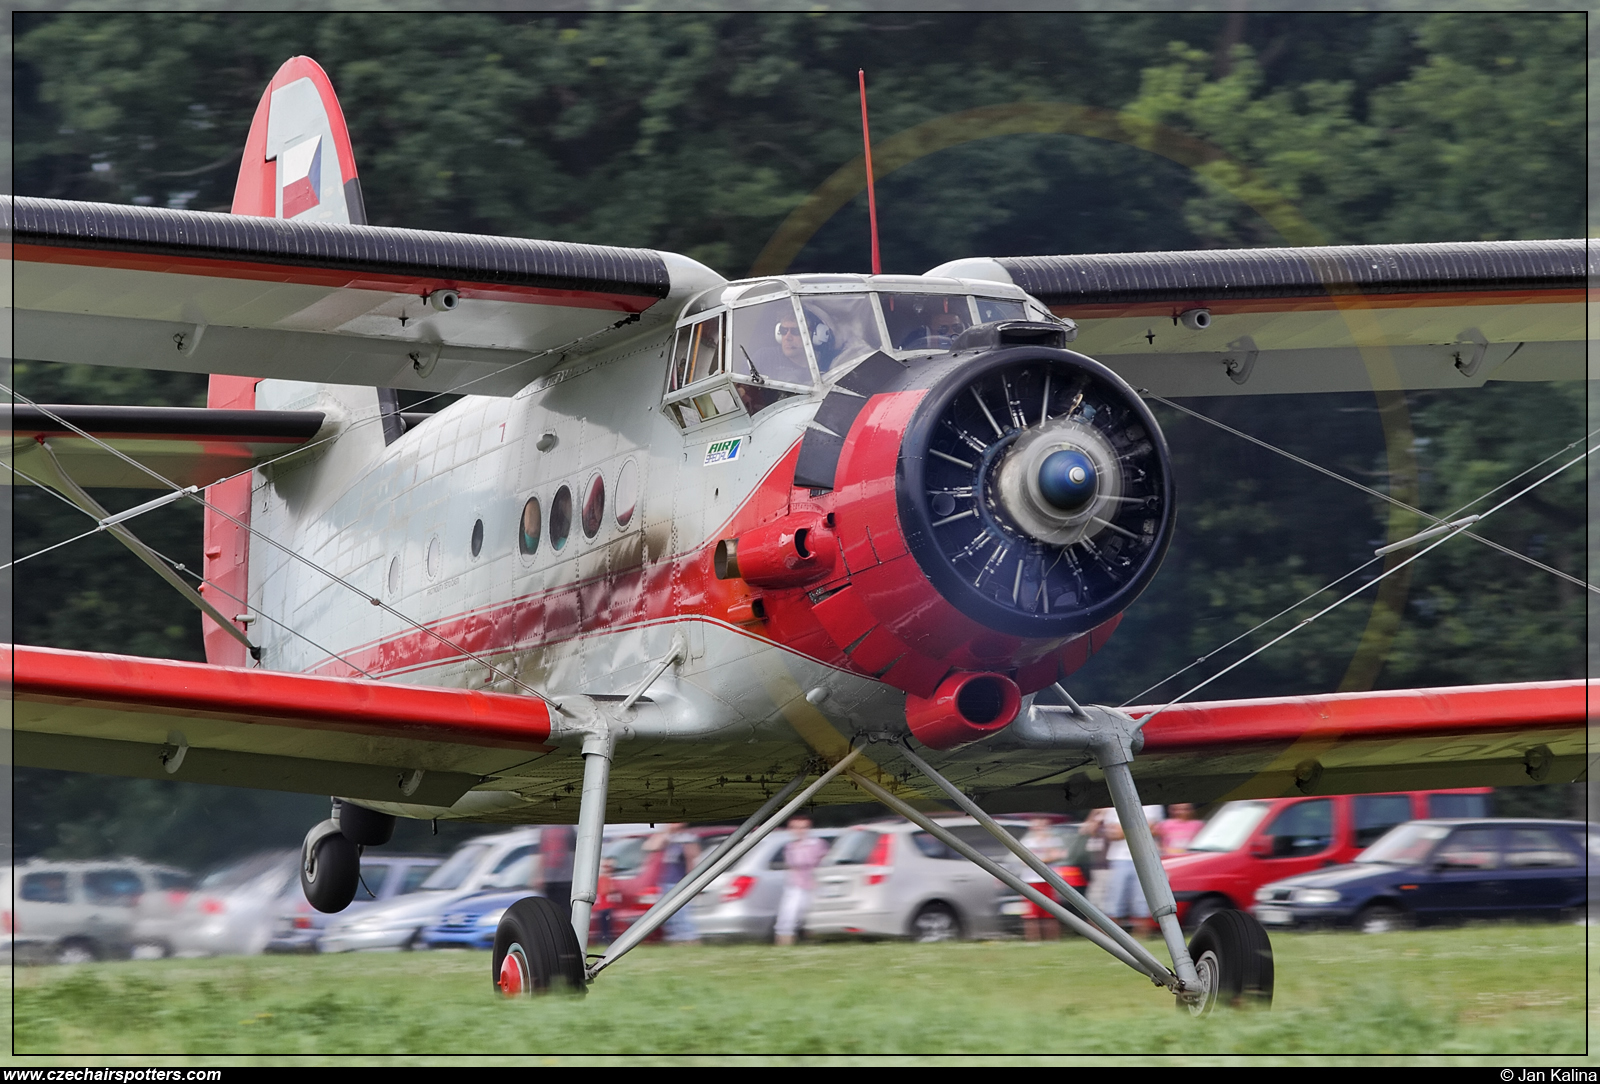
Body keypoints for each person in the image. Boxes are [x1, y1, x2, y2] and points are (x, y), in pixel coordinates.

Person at [773, 816, 830, 946]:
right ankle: (784, 944)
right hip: (795, 885)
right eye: (795, 828)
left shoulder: (816, 844)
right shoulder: (790, 846)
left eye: (803, 827)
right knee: (787, 916)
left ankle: (813, 941)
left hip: (813, 885)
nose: (799, 831)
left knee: (812, 917)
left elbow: (823, 863)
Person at [643, 823, 701, 943]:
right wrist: (666, 833)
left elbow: (692, 859)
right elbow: (650, 847)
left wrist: (692, 880)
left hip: (679, 882)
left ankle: (689, 939)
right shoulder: (667, 838)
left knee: (682, 913)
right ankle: (676, 939)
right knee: (668, 914)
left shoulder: (687, 838)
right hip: (665, 881)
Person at [1020, 817, 1068, 941]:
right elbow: (1025, 860)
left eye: (1043, 826)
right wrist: (1046, 858)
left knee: (1051, 912)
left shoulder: (1054, 841)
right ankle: (1033, 940)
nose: (1040, 829)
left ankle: (1053, 939)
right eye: (1037, 826)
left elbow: (1059, 855)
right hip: (1031, 880)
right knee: (1032, 913)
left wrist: (1038, 859)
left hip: (1049, 880)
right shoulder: (1027, 842)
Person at [538, 824, 575, 920]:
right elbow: (542, 851)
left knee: (567, 910)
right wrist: (540, 875)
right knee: (552, 911)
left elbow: (575, 850)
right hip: (550, 878)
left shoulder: (568, 827)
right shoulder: (544, 828)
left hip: (566, 878)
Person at [594, 857, 620, 945]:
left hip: (605, 906)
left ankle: (605, 938)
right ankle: (604, 939)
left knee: (606, 925)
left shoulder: (606, 878)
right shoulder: (604, 879)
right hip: (604, 906)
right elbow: (604, 891)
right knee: (605, 925)